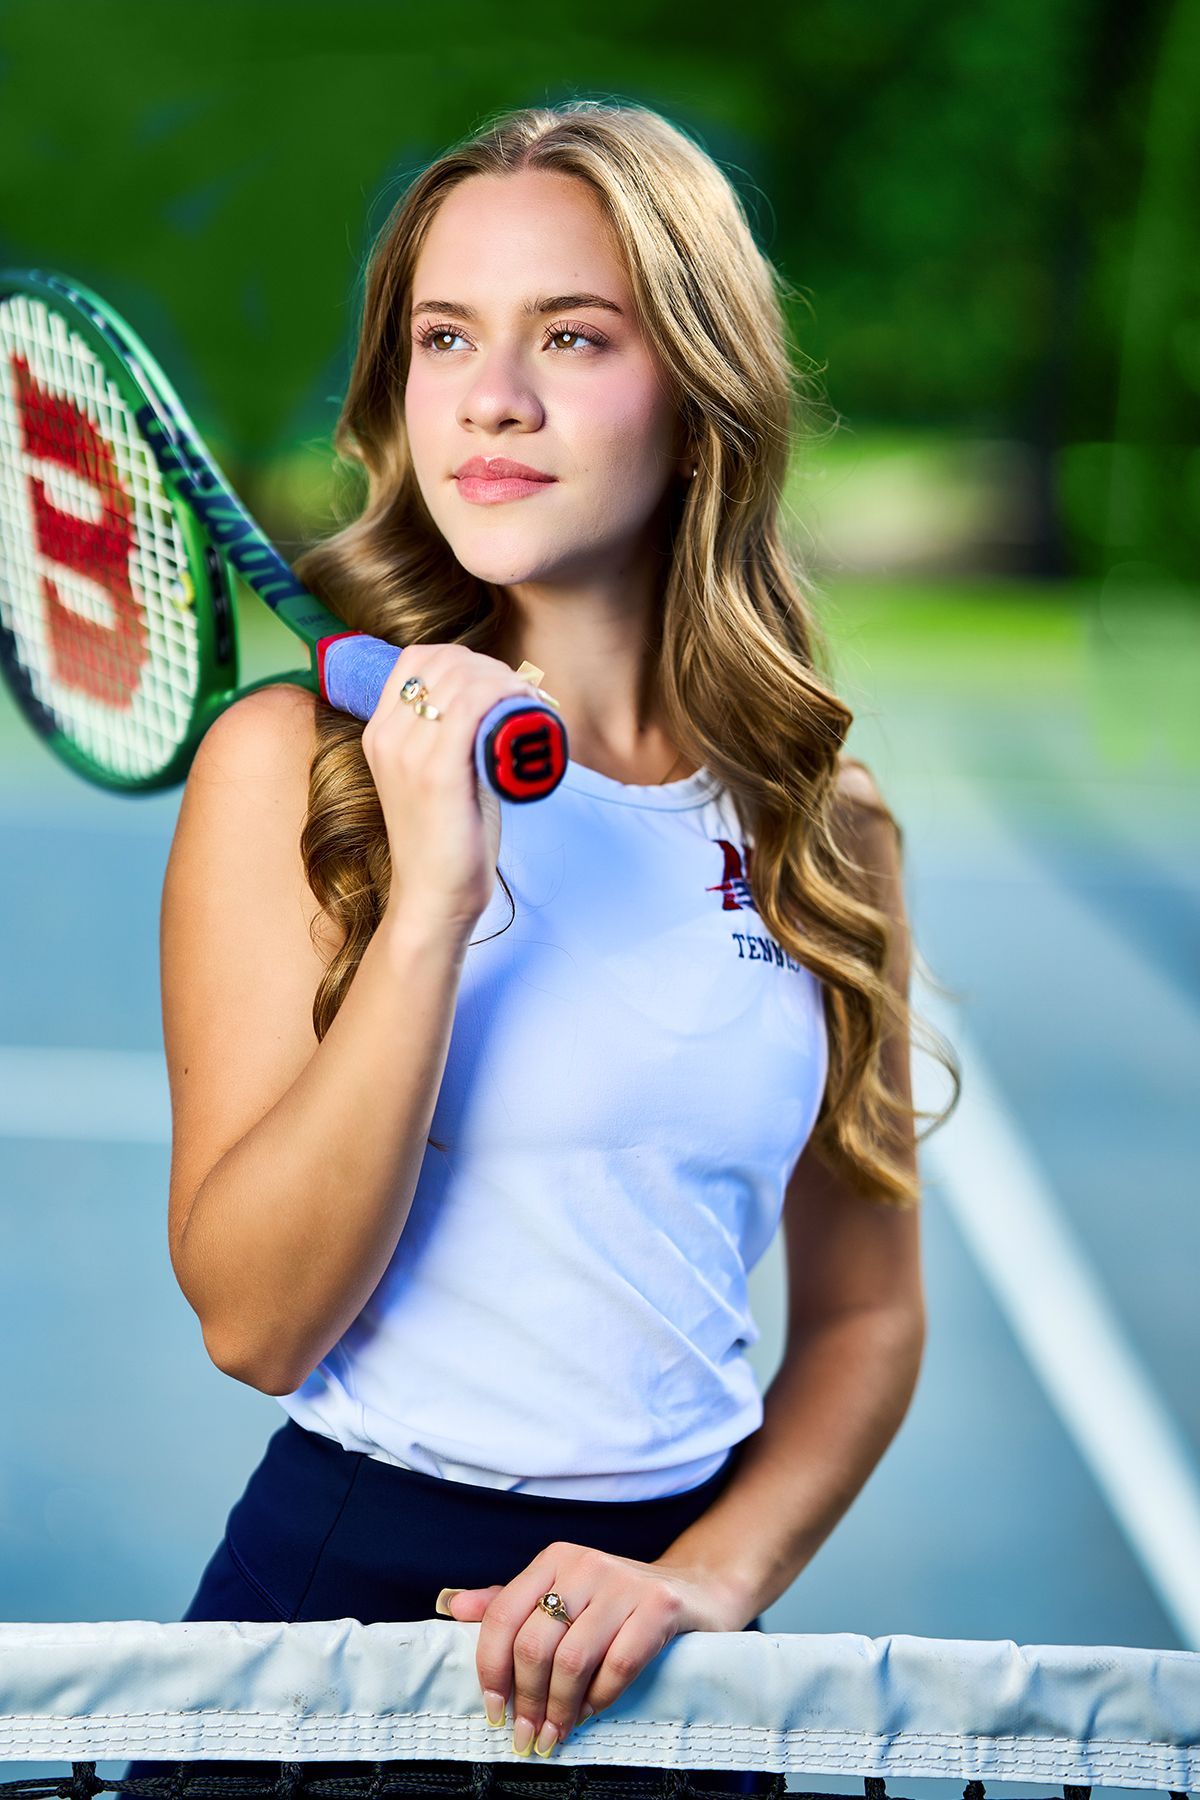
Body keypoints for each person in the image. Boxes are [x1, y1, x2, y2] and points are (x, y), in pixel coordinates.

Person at [128, 99, 956, 1795]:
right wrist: (434, 895)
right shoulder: (295, 766)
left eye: (572, 336)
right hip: (332, 1632)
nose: (491, 398)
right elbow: (256, 1324)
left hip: (660, 1656)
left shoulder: (823, 821)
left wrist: (699, 1582)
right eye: (447, 338)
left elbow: (867, 1318)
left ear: (700, 388)